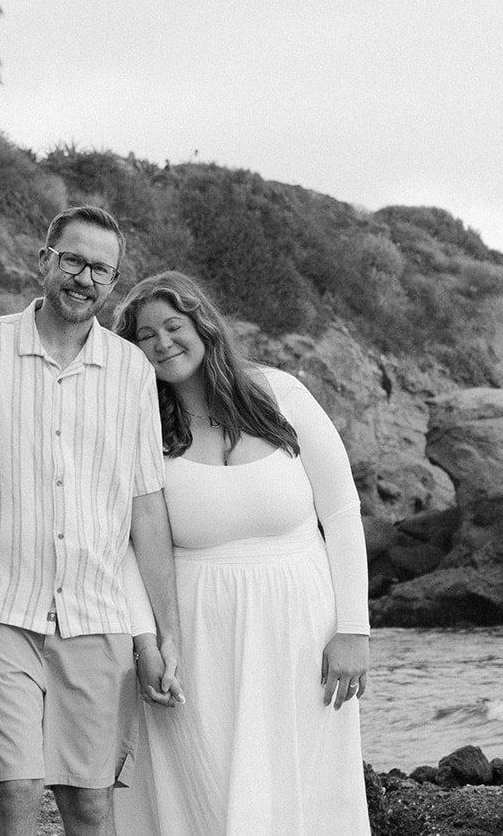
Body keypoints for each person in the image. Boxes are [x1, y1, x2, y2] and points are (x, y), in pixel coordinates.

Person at [0, 206, 184, 836]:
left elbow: (146, 507)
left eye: (101, 270)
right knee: (16, 786)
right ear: (44, 261)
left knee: (89, 803)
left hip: (95, 614)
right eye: (73, 260)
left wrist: (166, 634)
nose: (85, 278)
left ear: (112, 283)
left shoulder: (133, 373)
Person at [112, 271, 371, 836]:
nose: (162, 343)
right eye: (145, 335)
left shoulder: (280, 394)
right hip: (196, 635)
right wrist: (147, 642)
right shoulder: (137, 426)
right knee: (204, 785)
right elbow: (126, 547)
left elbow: (343, 512)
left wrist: (354, 628)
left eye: (173, 326)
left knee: (305, 784)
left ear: (203, 325)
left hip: (303, 632)